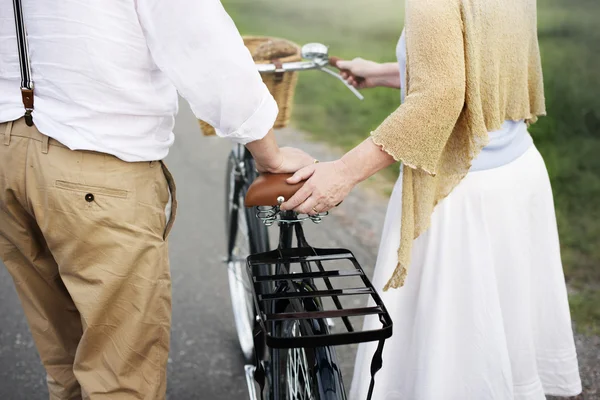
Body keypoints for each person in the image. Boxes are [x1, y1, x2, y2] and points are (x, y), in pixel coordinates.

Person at [0, 1, 313, 398]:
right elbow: (201, 43)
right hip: (95, 155)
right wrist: (269, 153)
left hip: (6, 150)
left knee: (64, 358)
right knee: (120, 374)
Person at [281, 0, 583, 398]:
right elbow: (482, 60)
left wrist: (344, 172)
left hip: (458, 197)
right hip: (516, 179)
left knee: (450, 361)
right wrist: (390, 72)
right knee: (491, 346)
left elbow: (440, 95)